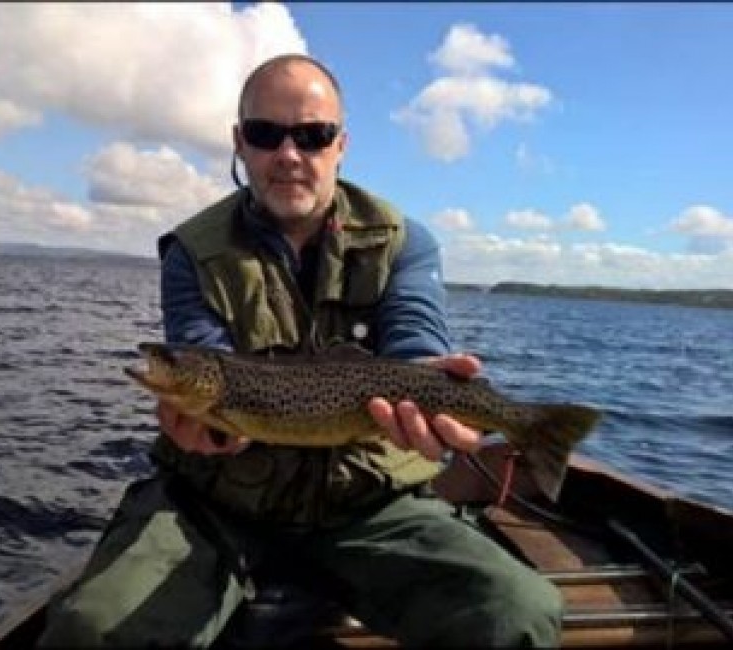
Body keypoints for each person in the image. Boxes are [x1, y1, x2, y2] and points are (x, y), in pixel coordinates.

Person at [38, 53, 563, 648]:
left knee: (517, 610)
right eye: (266, 134)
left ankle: (539, 430)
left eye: (312, 135)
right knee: (91, 629)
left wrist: (434, 390)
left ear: (341, 145)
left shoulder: (407, 242)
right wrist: (210, 432)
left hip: (371, 506)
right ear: (240, 144)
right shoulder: (191, 250)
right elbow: (199, 353)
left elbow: (416, 339)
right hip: (216, 505)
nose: (289, 153)